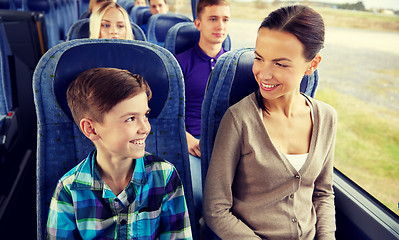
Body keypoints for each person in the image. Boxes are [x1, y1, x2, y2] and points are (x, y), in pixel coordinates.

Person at [203, 5, 336, 240]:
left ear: (312, 65)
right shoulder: (239, 120)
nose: (263, 74)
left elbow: (323, 194)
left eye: (280, 64)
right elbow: (215, 210)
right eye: (259, 58)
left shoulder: (326, 118)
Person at [46, 68, 193, 239]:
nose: (145, 128)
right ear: (91, 129)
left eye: (145, 115)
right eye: (130, 118)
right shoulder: (69, 189)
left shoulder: (164, 175)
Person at [175, 0, 230, 159]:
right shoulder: (179, 64)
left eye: (225, 19)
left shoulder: (234, 64)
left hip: (229, 142)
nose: (220, 25)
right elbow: (169, 113)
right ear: (198, 24)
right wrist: (186, 139)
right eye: (213, 19)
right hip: (193, 142)